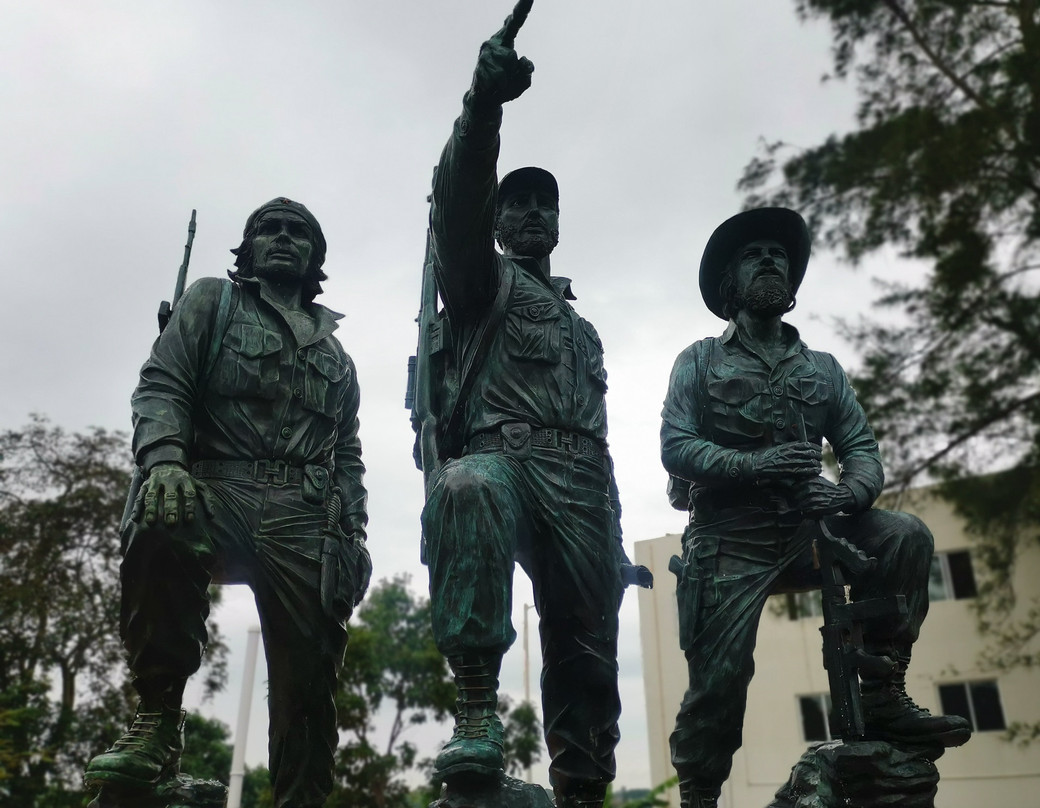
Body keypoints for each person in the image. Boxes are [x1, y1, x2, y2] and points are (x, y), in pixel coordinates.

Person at [661, 207, 970, 808]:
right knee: (718, 688)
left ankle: (884, 691)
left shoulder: (821, 369)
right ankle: (699, 793)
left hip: (812, 529)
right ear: (730, 286)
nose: (771, 260)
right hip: (729, 537)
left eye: (779, 255)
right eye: (754, 255)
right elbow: (676, 446)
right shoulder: (698, 361)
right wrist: (753, 466)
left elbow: (860, 450)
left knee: (904, 535)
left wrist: (847, 493)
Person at [417, 3, 642, 806]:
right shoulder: (482, 284)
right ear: (501, 224)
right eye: (518, 207)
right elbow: (460, 197)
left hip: (584, 483)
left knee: (588, 650)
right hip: (503, 458)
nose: (533, 214)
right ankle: (477, 711)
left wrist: (615, 532)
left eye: (545, 205)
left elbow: (601, 433)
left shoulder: (582, 325)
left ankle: (585, 789)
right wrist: (483, 106)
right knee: (467, 489)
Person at [84, 197, 370, 808]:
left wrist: (355, 535)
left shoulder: (337, 357)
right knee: (157, 514)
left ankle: (300, 796)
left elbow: (346, 455)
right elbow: (164, 384)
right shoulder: (213, 301)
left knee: (310, 683)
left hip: (304, 511)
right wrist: (163, 459)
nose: (284, 238)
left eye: (300, 232)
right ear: (248, 250)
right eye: (269, 229)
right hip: (216, 489)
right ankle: (158, 720)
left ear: (317, 256)